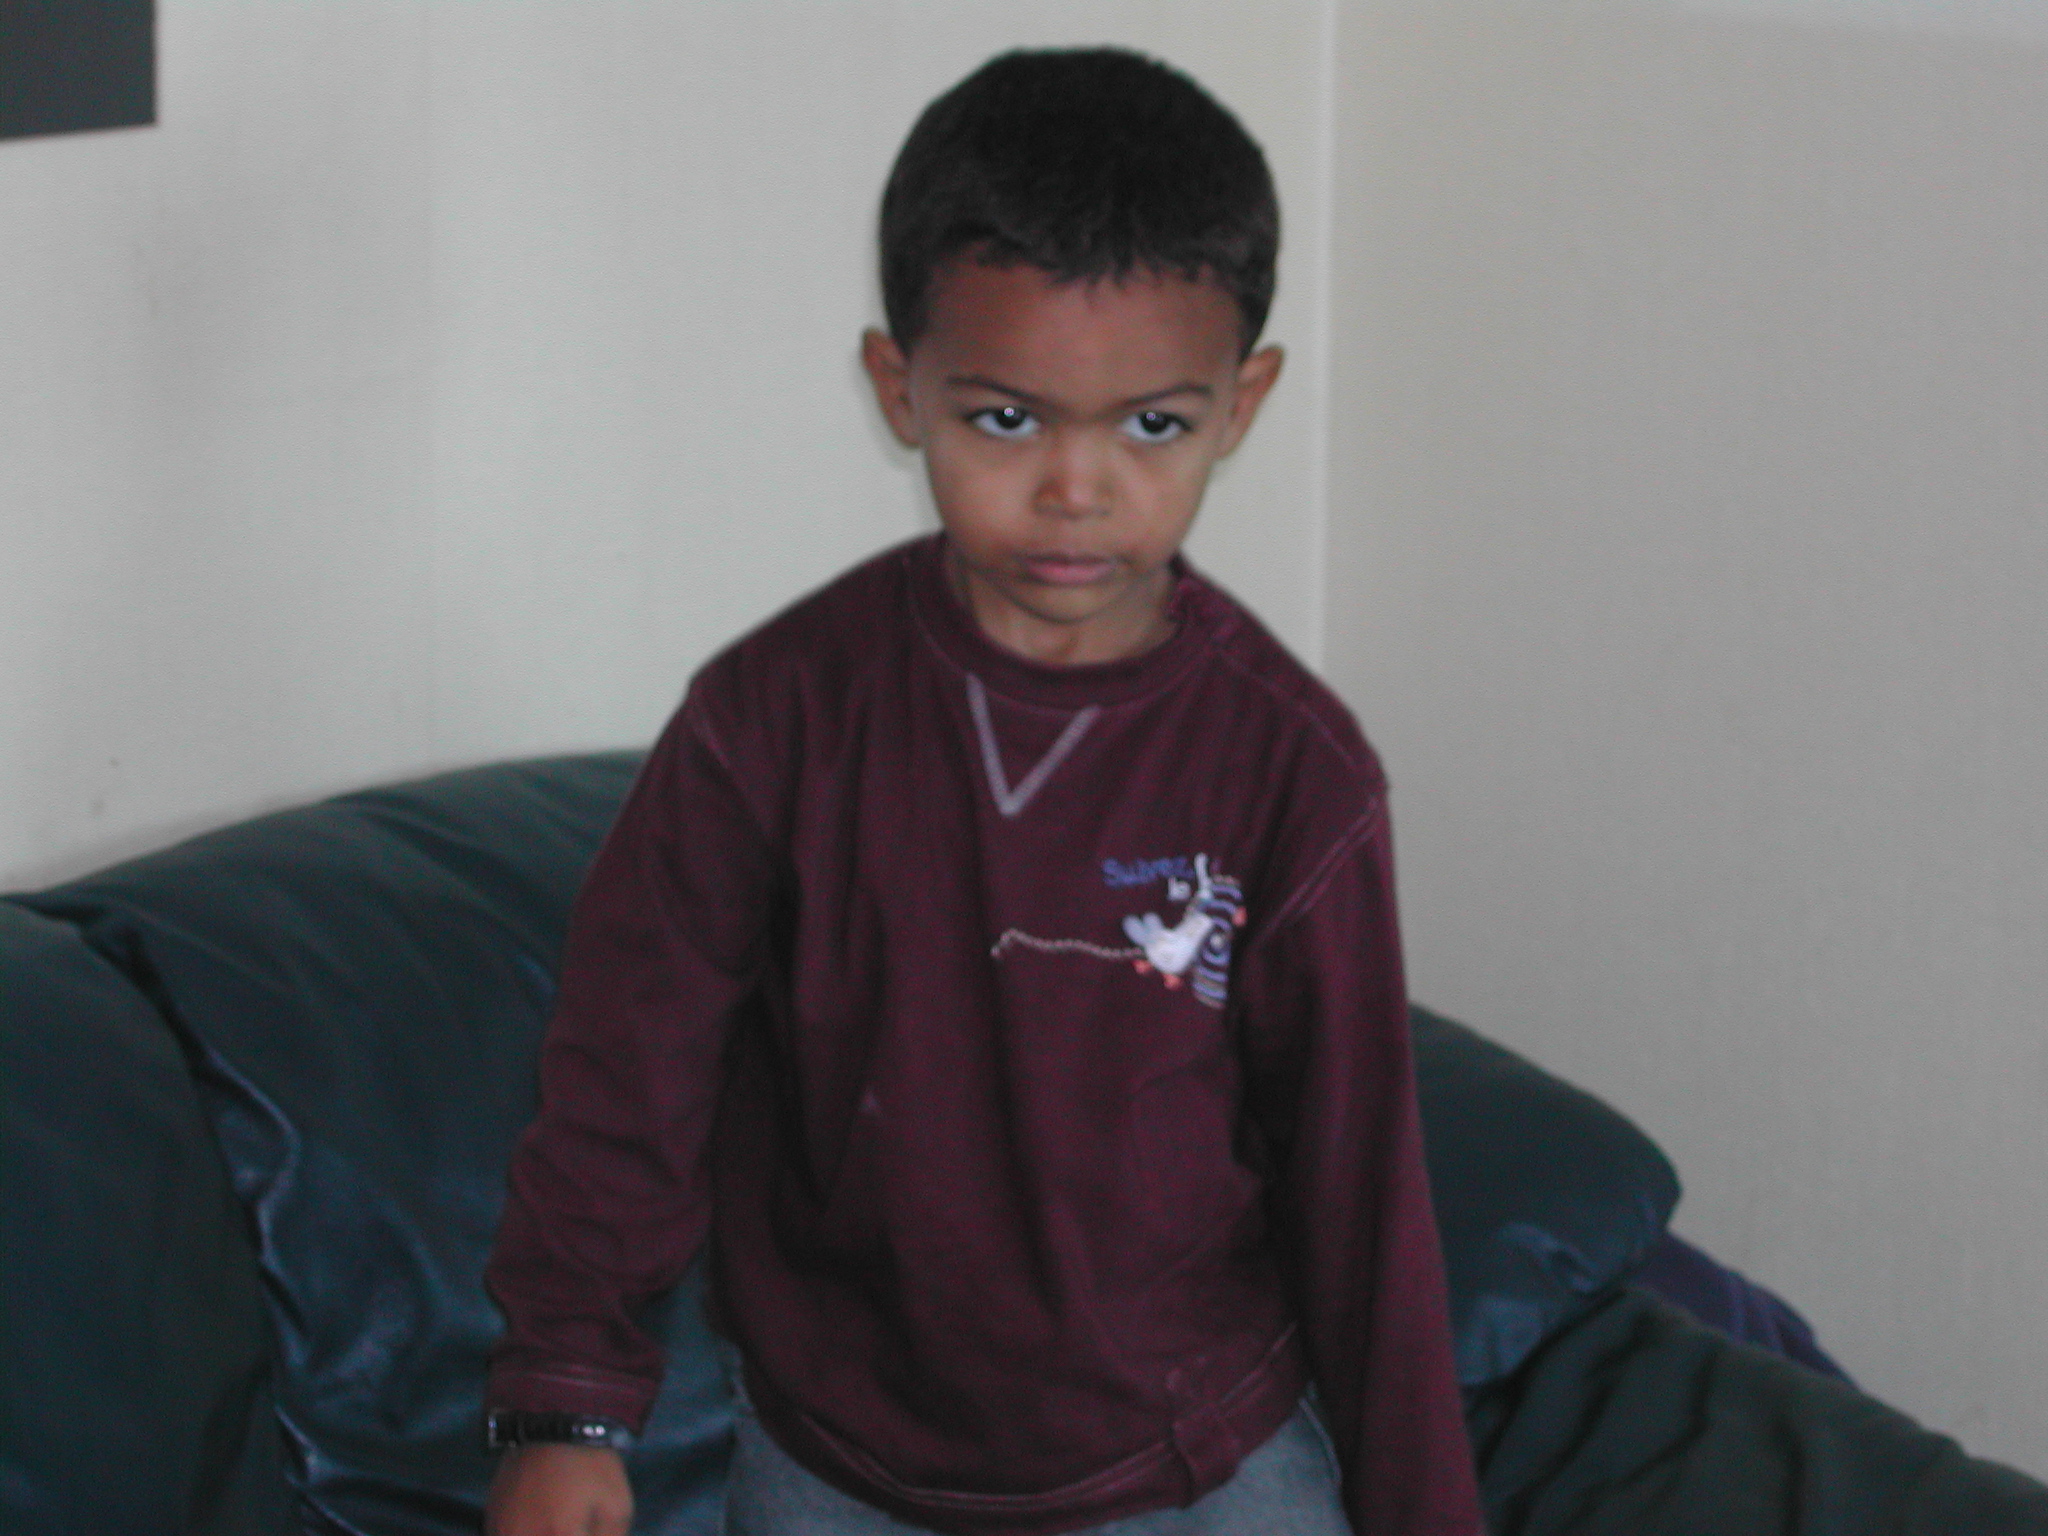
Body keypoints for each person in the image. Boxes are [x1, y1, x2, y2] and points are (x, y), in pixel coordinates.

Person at [481, 46, 1485, 1536]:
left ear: (1243, 402)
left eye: (1152, 424)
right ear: (902, 389)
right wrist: (565, 1403)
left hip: (1192, 1457)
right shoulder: (772, 719)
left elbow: (1360, 1185)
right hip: (836, 1458)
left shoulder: (1292, 768)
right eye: (1006, 419)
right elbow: (628, 1070)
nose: (1077, 488)